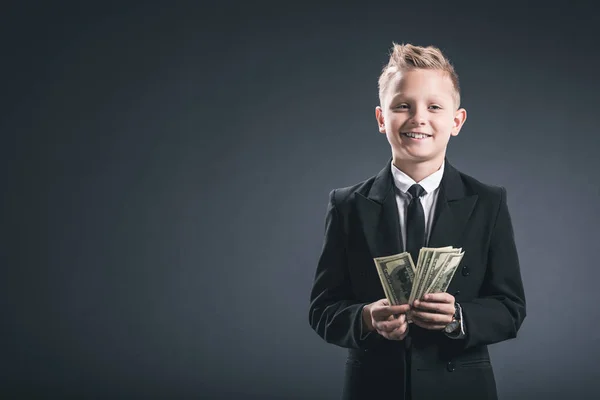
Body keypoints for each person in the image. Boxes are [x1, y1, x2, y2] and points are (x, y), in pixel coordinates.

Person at [308, 43, 526, 400]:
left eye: (434, 107)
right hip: (374, 388)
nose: (418, 118)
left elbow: (511, 308)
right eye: (402, 106)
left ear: (456, 121)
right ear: (382, 119)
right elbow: (322, 309)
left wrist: (458, 316)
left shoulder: (488, 202)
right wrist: (365, 318)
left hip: (461, 388)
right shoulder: (348, 205)